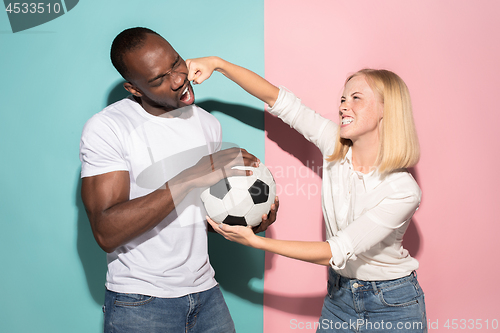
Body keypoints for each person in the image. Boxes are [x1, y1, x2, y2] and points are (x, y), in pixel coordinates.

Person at [186, 56, 427, 332]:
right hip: (340, 296)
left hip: (393, 303)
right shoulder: (335, 146)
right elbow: (281, 102)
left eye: (356, 98)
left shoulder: (403, 191)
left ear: (387, 109)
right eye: (342, 99)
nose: (343, 106)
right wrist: (219, 64)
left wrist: (255, 242)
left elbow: (336, 251)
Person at [79, 28, 277, 333]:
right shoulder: (108, 128)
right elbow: (106, 231)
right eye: (159, 79)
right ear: (134, 89)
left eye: (176, 63)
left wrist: (249, 221)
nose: (177, 79)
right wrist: (192, 175)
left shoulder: (207, 124)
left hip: (205, 292)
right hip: (141, 302)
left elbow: (199, 216)